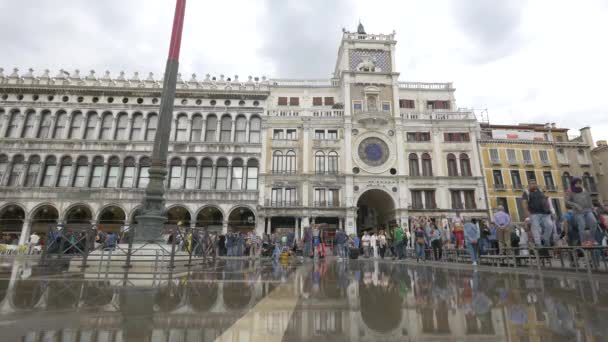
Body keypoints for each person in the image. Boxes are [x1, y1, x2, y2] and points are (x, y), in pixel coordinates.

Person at [566, 177, 600, 243]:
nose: (578, 184)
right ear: (573, 184)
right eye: (577, 183)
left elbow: (589, 199)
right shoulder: (570, 191)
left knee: (594, 222)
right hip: (578, 212)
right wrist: (576, 205)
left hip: (588, 210)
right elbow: (567, 201)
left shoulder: (584, 190)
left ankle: (592, 239)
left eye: (579, 183)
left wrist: (593, 208)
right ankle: (583, 241)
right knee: (582, 225)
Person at [522, 180, 553, 247]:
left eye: (534, 183)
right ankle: (538, 243)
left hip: (545, 213)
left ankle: (545, 239)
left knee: (550, 225)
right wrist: (527, 213)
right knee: (535, 228)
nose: (533, 185)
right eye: (532, 183)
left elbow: (547, 200)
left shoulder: (541, 191)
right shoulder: (526, 192)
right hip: (534, 213)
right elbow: (524, 203)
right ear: (529, 185)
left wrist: (551, 210)